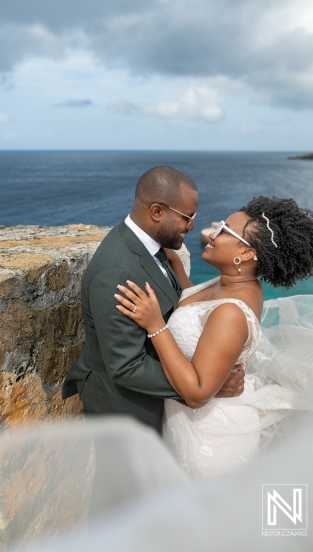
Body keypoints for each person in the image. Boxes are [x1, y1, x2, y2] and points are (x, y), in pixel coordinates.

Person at [115, 196, 313, 478]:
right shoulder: (236, 283)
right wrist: (174, 261)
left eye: (225, 231)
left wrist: (155, 325)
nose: (213, 234)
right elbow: (198, 311)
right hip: (192, 425)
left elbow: (199, 392)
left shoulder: (232, 313)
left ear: (247, 254)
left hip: (211, 441)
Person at [62, 166, 244, 434]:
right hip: (126, 411)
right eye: (187, 217)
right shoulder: (117, 272)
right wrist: (204, 387)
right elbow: (126, 365)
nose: (192, 226)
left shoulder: (155, 248)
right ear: (157, 212)